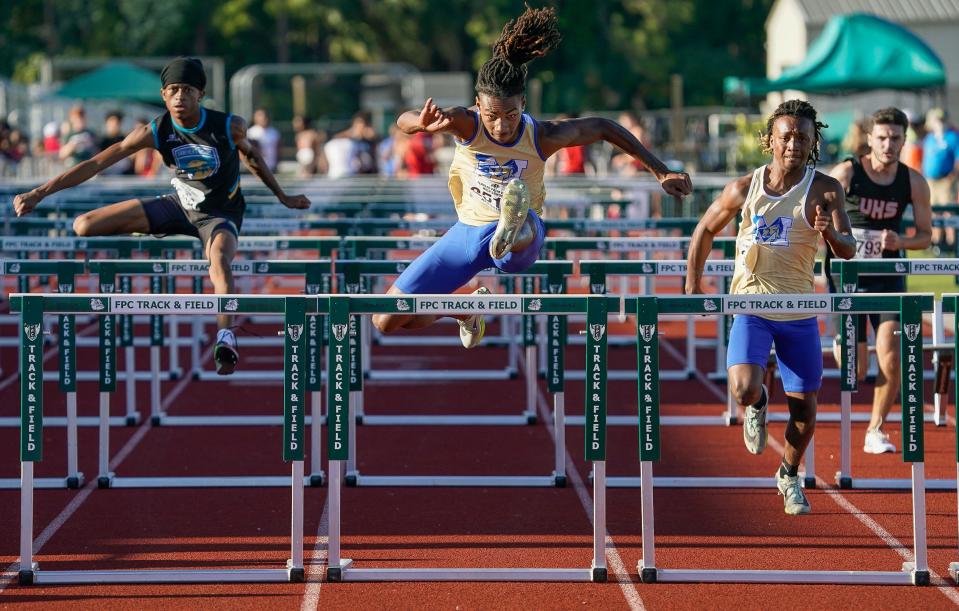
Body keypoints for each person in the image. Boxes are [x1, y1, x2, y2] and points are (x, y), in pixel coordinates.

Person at [371, 5, 690, 346]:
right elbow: (404, 120)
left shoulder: (541, 136)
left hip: (524, 236)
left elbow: (602, 127)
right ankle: (466, 310)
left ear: (523, 102)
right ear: (478, 105)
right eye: (493, 115)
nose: (502, 124)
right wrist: (420, 122)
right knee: (387, 319)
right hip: (467, 233)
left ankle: (512, 223)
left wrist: (660, 170)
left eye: (511, 114)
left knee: (515, 236)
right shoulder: (466, 123)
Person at [12, 57, 310, 375]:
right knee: (83, 226)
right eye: (173, 90)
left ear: (200, 94)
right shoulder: (155, 130)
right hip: (179, 205)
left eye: (187, 90)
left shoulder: (229, 126)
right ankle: (147, 232)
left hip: (219, 214)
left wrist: (283, 196)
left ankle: (225, 337)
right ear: (163, 95)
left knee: (220, 260)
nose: (180, 97)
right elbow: (96, 163)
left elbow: (253, 158)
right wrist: (39, 193)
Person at [685, 100, 856, 515]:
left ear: (814, 140)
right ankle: (759, 405)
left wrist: (829, 232)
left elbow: (849, 249)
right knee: (743, 387)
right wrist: (693, 284)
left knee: (804, 408)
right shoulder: (744, 188)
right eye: (786, 136)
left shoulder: (826, 188)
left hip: (798, 309)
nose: (794, 144)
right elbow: (705, 229)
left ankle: (789, 474)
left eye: (802, 136)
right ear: (769, 141)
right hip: (752, 304)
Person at [826, 108, 931, 454]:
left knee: (891, 355)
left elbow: (925, 236)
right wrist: (836, 236)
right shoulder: (846, 173)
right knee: (855, 370)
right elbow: (816, 217)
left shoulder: (913, 181)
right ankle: (843, 341)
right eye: (882, 138)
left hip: (888, 277)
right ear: (869, 139)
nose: (888, 145)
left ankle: (875, 429)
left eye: (895, 138)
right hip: (849, 277)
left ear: (904, 140)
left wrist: (901, 242)